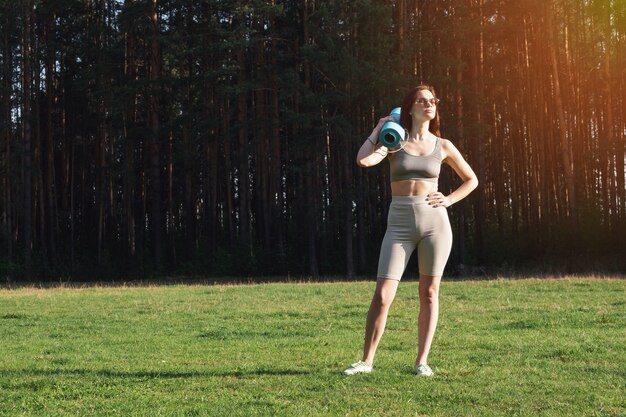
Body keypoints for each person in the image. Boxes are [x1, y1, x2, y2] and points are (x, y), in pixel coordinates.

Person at [343, 85, 478, 376]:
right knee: (382, 294)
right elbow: (363, 160)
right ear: (410, 108)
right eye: (422, 101)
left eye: (432, 101)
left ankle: (421, 362)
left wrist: (449, 199)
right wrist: (379, 128)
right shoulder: (394, 142)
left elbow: (471, 179)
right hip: (400, 223)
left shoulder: (443, 146)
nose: (429, 104)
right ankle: (366, 361)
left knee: (429, 292)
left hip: (435, 223)